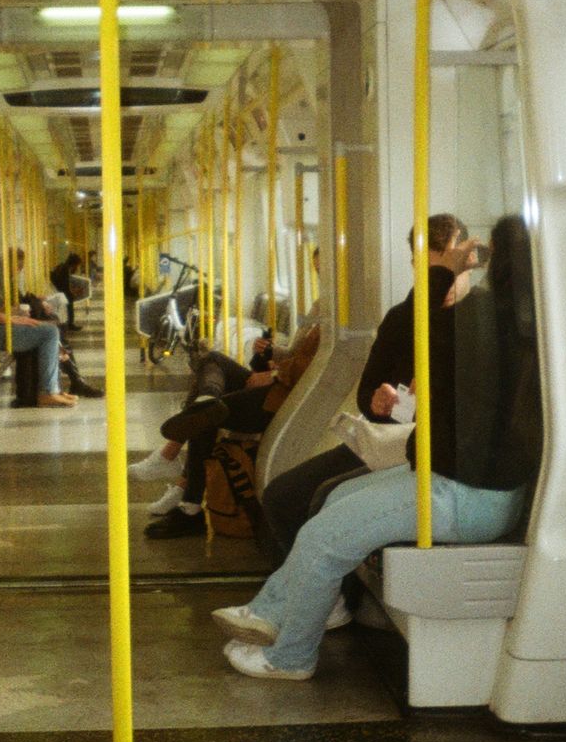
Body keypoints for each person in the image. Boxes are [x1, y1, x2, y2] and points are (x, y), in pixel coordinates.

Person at [215, 217, 538, 681]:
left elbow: (422, 332)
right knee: (335, 499)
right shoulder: (514, 323)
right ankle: (269, 611)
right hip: (456, 478)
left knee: (322, 539)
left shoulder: (485, 322)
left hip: (466, 495)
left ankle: (290, 657)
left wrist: (445, 269)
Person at [256, 214, 479, 562]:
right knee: (281, 497)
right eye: (432, 270)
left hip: (438, 452)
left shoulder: (481, 320)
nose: (445, 282)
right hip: (389, 440)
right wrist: (383, 401)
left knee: (327, 498)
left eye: (453, 270)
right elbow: (367, 392)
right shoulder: (401, 319)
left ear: (471, 264)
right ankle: (328, 598)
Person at [140, 323, 322, 538]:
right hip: (278, 383)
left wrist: (274, 375)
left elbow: (320, 363)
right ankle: (205, 403)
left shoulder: (335, 314)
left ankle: (182, 487)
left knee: (205, 415)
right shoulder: (320, 311)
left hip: (283, 396)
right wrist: (272, 352)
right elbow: (297, 354)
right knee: (212, 361)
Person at [0, 238, 74, 408]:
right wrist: (10, 319)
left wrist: (12, 316)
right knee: (49, 332)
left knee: (40, 327)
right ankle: (48, 391)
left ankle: (50, 389)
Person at [13, 248, 102, 398]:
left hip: (17, 320)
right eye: (19, 266)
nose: (20, 270)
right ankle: (63, 385)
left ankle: (73, 381)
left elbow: (20, 299)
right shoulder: (1, 281)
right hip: (12, 324)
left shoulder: (8, 281)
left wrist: (36, 300)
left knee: (57, 332)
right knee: (53, 333)